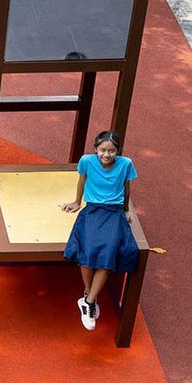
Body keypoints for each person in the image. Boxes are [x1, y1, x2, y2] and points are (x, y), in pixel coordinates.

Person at [60, 129, 140, 331]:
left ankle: (89, 300)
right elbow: (82, 181)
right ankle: (89, 296)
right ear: (95, 149)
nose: (106, 155)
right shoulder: (87, 161)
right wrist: (77, 202)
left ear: (117, 151)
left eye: (111, 151)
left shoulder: (126, 164)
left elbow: (126, 187)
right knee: (86, 249)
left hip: (114, 212)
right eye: (103, 150)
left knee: (108, 253)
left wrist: (125, 210)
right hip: (93, 209)